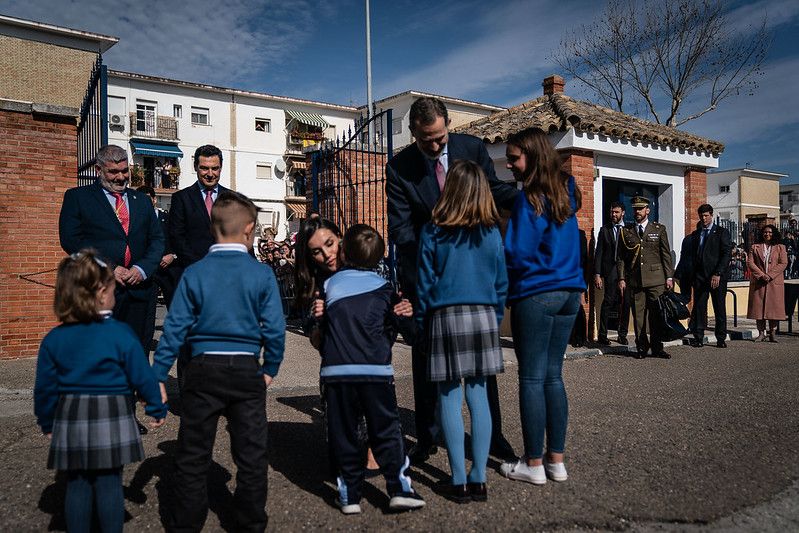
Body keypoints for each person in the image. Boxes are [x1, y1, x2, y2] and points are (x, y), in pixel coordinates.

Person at [386, 96, 517, 464]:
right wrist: (436, 257)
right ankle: (427, 437)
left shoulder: (471, 148)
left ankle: (494, 438)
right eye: (426, 140)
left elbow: (494, 190)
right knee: (427, 362)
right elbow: (401, 230)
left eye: (440, 138)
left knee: (481, 372)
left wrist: (531, 197)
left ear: (448, 127)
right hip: (425, 274)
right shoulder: (399, 168)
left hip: (471, 277)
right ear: (413, 134)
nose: (435, 146)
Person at [152, 191, 285, 532]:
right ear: (249, 229)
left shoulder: (194, 273)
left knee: (193, 454)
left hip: (202, 368)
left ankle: (186, 523)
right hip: (245, 369)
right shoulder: (261, 274)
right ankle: (250, 521)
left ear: (212, 229)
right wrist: (270, 368)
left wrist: (158, 373)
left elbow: (175, 327)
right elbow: (274, 328)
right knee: (252, 453)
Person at [34, 250, 166, 533]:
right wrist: (155, 405)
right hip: (112, 410)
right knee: (109, 484)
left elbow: (45, 388)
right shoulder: (121, 334)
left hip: (71, 413)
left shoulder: (54, 339)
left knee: (77, 484)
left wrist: (47, 421)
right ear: (101, 293)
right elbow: (141, 375)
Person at [416, 160, 507, 503]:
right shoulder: (491, 233)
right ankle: (479, 478)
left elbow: (424, 283)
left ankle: (457, 481)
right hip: (483, 314)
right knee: (479, 396)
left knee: (449, 397)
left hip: (446, 315)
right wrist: (495, 315)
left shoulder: (434, 230)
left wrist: (423, 322)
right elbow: (501, 281)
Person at [319, 224, 425, 514]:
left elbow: (317, 322)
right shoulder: (385, 289)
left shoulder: (329, 286)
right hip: (375, 372)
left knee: (345, 434)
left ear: (343, 252)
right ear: (380, 257)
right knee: (387, 431)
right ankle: (399, 488)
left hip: (337, 373)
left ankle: (349, 495)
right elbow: (406, 328)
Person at [500, 127, 585, 485]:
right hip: (569, 291)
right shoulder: (566, 193)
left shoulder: (528, 198)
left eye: (514, 158)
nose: (509, 165)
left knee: (532, 377)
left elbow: (516, 252)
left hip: (536, 292)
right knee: (553, 375)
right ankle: (556, 461)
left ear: (532, 156)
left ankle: (533, 463)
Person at [59, 145, 165, 353]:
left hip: (139, 293)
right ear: (99, 170)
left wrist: (141, 269)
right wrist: (110, 268)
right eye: (113, 172)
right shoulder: (78, 198)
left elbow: (157, 240)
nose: (121, 177)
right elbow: (71, 241)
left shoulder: (142, 201)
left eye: (124, 171)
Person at [617, 196, 674, 359]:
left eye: (640, 209)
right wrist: (621, 278)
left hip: (656, 280)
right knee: (639, 317)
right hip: (636, 281)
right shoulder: (626, 231)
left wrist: (669, 277)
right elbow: (621, 258)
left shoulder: (658, 229)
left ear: (647, 210)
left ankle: (657, 347)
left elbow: (665, 254)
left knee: (656, 315)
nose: (637, 212)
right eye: (635, 209)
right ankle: (641, 347)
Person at [168, 144, 231, 277]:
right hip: (194, 274)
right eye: (204, 168)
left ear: (221, 168)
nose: (210, 174)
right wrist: (201, 267)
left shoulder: (233, 199)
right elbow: (177, 238)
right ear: (195, 167)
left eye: (215, 168)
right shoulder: (181, 199)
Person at [687, 204, 733, 348]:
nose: (704, 218)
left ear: (711, 215)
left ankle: (721, 338)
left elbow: (726, 254)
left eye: (706, 216)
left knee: (719, 307)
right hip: (700, 277)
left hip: (716, 276)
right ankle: (698, 337)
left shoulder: (721, 232)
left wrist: (718, 273)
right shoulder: (696, 234)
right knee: (699, 308)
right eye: (701, 216)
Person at [594, 202, 631, 345]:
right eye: (612, 212)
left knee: (625, 302)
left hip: (626, 272)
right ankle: (603, 335)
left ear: (623, 213)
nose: (613, 215)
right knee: (608, 301)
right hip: (610, 271)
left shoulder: (629, 229)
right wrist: (597, 274)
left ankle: (622, 334)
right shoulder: (605, 230)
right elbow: (599, 253)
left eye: (616, 212)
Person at [746, 224, 788, 342]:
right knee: (758, 308)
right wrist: (761, 275)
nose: (767, 234)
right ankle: (761, 333)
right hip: (759, 281)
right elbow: (750, 262)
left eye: (770, 232)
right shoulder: (755, 247)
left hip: (774, 282)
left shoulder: (780, 247)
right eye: (765, 232)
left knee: (774, 308)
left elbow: (783, 263)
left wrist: (769, 275)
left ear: (774, 234)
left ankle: (772, 333)